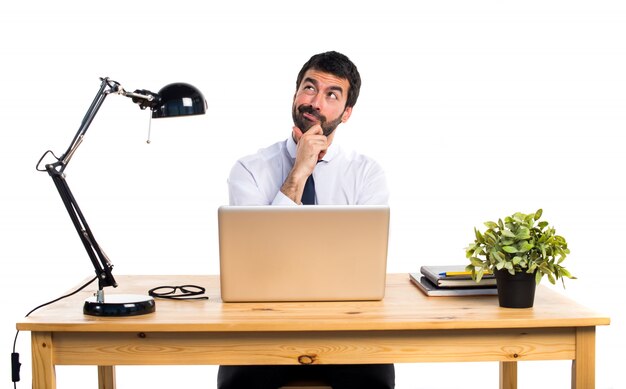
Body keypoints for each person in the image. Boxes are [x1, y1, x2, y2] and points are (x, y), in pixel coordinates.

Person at [221, 51, 394, 389]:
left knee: (373, 383)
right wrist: (299, 171)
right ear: (295, 95)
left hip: (346, 325)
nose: (315, 101)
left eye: (332, 95)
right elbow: (257, 259)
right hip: (262, 327)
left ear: (346, 113)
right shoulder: (249, 169)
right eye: (309, 88)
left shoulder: (367, 173)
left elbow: (363, 265)